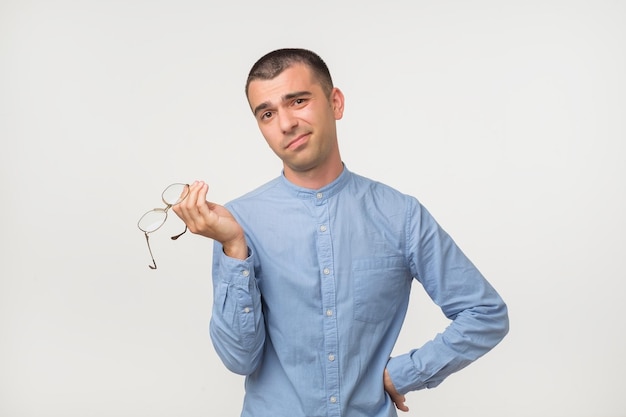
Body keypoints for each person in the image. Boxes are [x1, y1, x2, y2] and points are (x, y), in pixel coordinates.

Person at [173, 48, 509, 417]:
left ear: (335, 102)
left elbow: (485, 313)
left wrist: (404, 374)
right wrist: (233, 246)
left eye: (298, 101)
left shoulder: (401, 215)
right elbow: (239, 358)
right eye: (267, 114)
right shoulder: (239, 223)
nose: (285, 123)